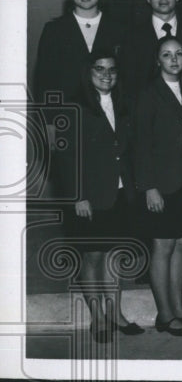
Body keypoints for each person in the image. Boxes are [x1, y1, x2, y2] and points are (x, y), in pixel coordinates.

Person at [59, 51, 144, 342]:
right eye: (99, 69)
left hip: (120, 193)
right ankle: (98, 318)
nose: (106, 75)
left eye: (112, 70)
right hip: (90, 198)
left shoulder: (123, 104)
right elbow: (66, 158)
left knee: (114, 256)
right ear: (88, 72)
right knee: (93, 256)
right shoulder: (76, 107)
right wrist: (79, 196)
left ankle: (116, 314)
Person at [134, 36, 182, 336]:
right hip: (162, 184)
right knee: (163, 246)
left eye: (179, 54)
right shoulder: (148, 94)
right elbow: (140, 144)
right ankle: (164, 314)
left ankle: (179, 308)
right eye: (167, 55)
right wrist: (149, 186)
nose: (174, 59)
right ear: (158, 61)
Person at [34, 0, 125, 105]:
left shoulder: (119, 29)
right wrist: (50, 122)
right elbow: (45, 81)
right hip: (69, 114)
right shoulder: (54, 30)